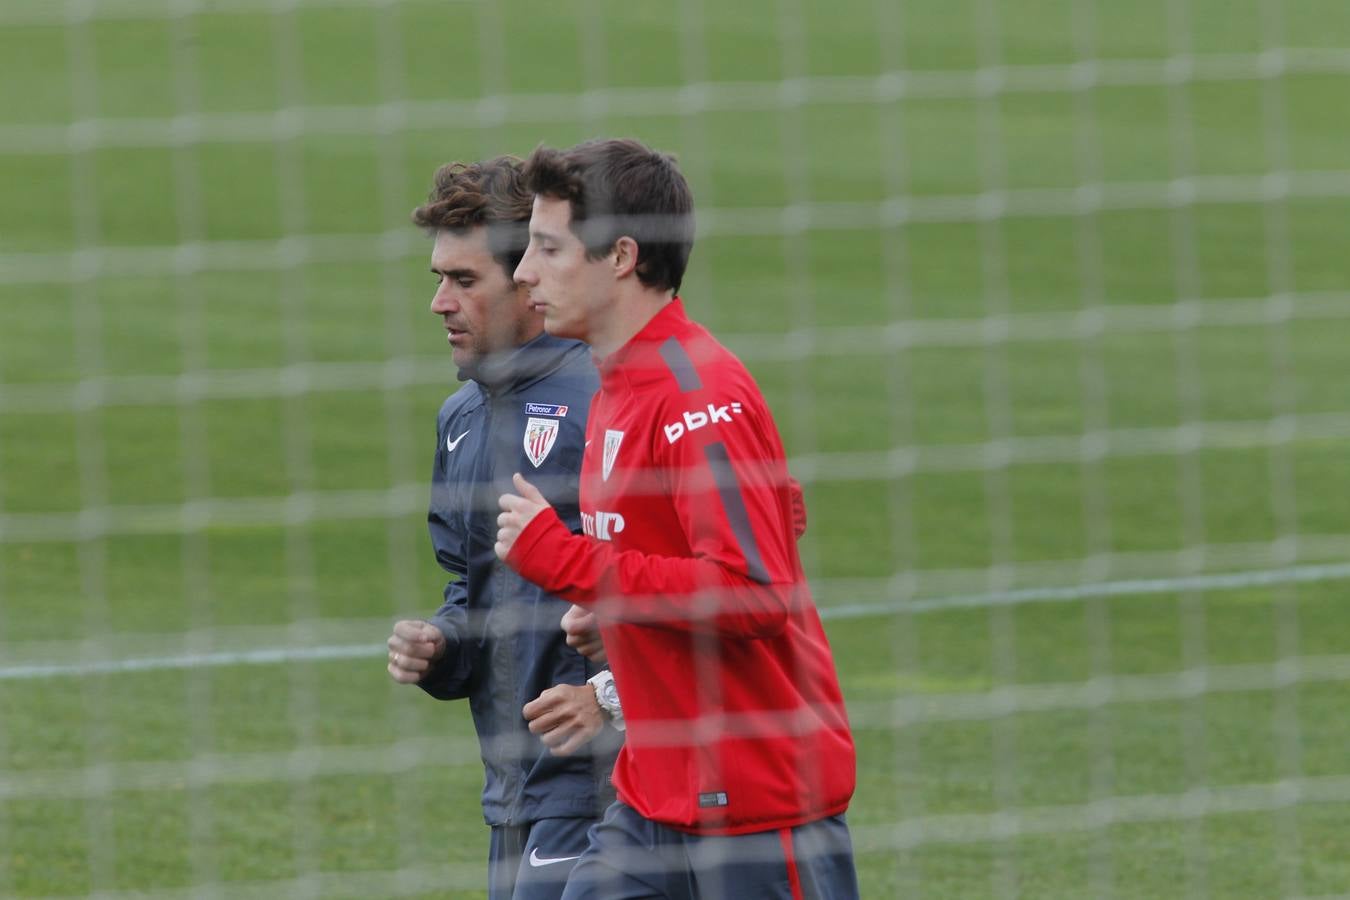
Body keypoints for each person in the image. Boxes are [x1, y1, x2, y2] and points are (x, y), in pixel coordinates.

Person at [496, 139, 859, 899]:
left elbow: (753, 593)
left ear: (621, 256)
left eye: (548, 247)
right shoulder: (617, 389)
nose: (524, 271)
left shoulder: (698, 396)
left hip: (756, 801)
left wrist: (563, 561)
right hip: (654, 795)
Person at [384, 156, 624, 900]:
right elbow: (476, 590)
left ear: (525, 280)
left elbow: (689, 586)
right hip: (514, 794)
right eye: (437, 279)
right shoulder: (461, 418)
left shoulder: (605, 402)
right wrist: (444, 645)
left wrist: (609, 696)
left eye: (463, 281)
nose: (440, 304)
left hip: (611, 788)